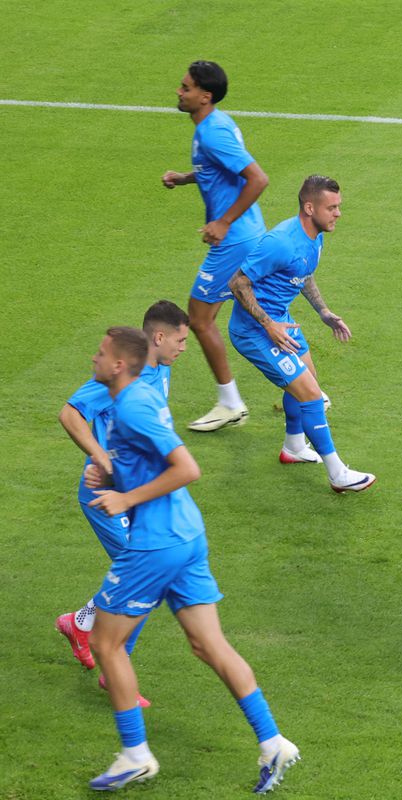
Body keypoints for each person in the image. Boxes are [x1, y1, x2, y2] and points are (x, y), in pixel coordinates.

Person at [83, 326, 300, 792]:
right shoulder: (138, 396)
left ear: (119, 364)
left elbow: (187, 468)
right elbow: (151, 463)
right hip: (186, 535)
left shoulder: (133, 406)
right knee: (208, 645)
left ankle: (135, 754)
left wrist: (125, 498)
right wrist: (112, 476)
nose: (93, 359)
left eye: (100, 353)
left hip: (156, 543)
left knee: (105, 643)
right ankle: (273, 742)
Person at [56, 300, 191, 708]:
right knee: (145, 576)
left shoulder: (161, 368)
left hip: (135, 496)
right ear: (159, 337)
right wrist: (102, 458)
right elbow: (70, 414)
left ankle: (82, 623)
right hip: (105, 496)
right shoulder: (122, 374)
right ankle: (112, 671)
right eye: (180, 340)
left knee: (142, 574)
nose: (184, 348)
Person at [228, 175, 374, 492]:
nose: (338, 214)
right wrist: (268, 325)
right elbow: (237, 282)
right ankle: (337, 473)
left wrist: (323, 311)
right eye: (332, 208)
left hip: (281, 321)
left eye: (338, 206)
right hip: (254, 330)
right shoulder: (281, 242)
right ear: (310, 208)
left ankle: (293, 446)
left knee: (309, 380)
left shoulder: (314, 236)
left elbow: (303, 273)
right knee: (310, 394)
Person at [162, 60, 269, 433]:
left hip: (236, 239)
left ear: (205, 96)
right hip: (248, 232)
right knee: (262, 312)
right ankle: (312, 391)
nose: (179, 92)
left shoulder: (212, 133)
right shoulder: (214, 124)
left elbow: (257, 179)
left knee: (200, 318)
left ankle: (231, 404)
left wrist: (223, 222)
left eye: (186, 87)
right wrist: (186, 178)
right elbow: (219, 169)